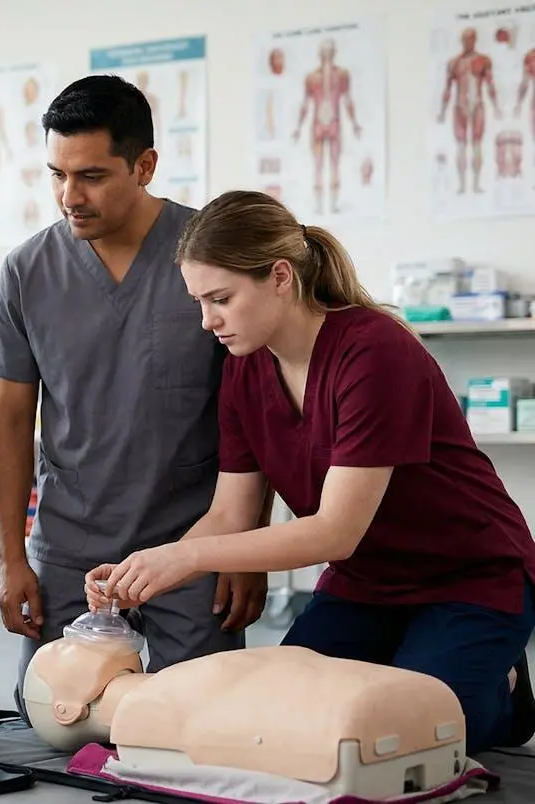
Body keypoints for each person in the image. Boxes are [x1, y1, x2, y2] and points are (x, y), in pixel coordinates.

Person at [85, 189, 535, 755]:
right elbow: (229, 514)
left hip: (469, 576)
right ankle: (434, 666)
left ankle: (505, 692)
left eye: (220, 299)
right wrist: (146, 569)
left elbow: (334, 532)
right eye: (199, 301)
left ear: (280, 276)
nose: (207, 321)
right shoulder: (245, 371)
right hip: (365, 582)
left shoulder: (375, 351)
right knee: (291, 719)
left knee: (408, 734)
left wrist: (187, 558)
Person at [0, 75, 268, 719]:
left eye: (92, 176)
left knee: (198, 720)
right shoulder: (27, 271)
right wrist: (11, 557)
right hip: (71, 544)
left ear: (145, 166)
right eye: (57, 175)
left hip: (192, 541)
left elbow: (255, 417)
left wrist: (245, 546)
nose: (69, 197)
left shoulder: (208, 257)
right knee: (56, 719)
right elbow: (9, 424)